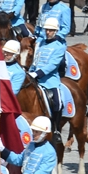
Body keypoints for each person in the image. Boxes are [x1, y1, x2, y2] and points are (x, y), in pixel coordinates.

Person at [29, 17, 66, 145]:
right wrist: (30, 71)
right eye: (46, 30)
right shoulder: (40, 43)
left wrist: (38, 73)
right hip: (35, 78)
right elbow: (35, 60)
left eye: (51, 30)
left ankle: (56, 129)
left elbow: (53, 65)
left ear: (55, 31)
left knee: (58, 102)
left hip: (50, 80)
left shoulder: (59, 46)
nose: (48, 32)